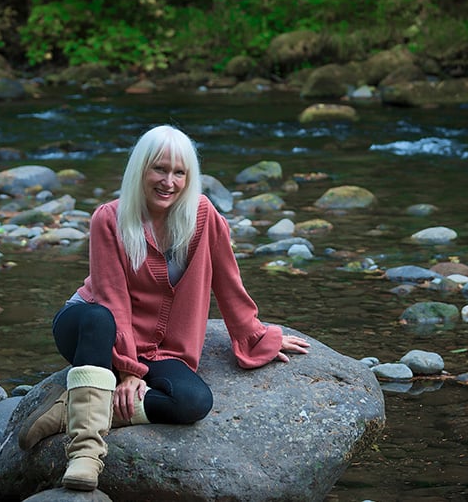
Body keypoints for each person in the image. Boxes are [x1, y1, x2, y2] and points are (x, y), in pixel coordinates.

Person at [17, 124, 310, 491]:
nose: (168, 181)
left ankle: (73, 408)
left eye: (179, 172)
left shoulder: (203, 217)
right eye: (159, 169)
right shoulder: (109, 218)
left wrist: (255, 334)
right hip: (90, 329)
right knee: (97, 317)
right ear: (140, 169)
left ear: (190, 177)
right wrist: (128, 373)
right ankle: (85, 454)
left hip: (161, 346)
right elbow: (111, 297)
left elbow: (228, 283)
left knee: (193, 402)